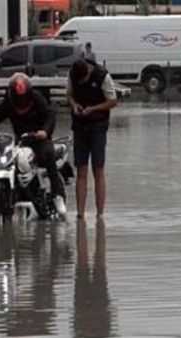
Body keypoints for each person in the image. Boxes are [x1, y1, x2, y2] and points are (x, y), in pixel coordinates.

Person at [0, 73, 67, 216]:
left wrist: (45, 131)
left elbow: (49, 115)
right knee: (10, 161)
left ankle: (57, 195)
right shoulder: (8, 102)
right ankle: (15, 194)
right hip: (20, 140)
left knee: (49, 154)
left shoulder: (37, 98)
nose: (20, 102)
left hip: (39, 139)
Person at [67, 59, 117, 220]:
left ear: (88, 72)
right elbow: (69, 95)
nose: (81, 83)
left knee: (98, 170)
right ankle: (80, 213)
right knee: (81, 170)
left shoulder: (103, 76)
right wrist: (74, 105)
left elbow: (112, 101)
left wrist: (93, 109)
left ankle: (100, 214)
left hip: (98, 126)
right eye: (79, 81)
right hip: (79, 126)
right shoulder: (72, 75)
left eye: (84, 80)